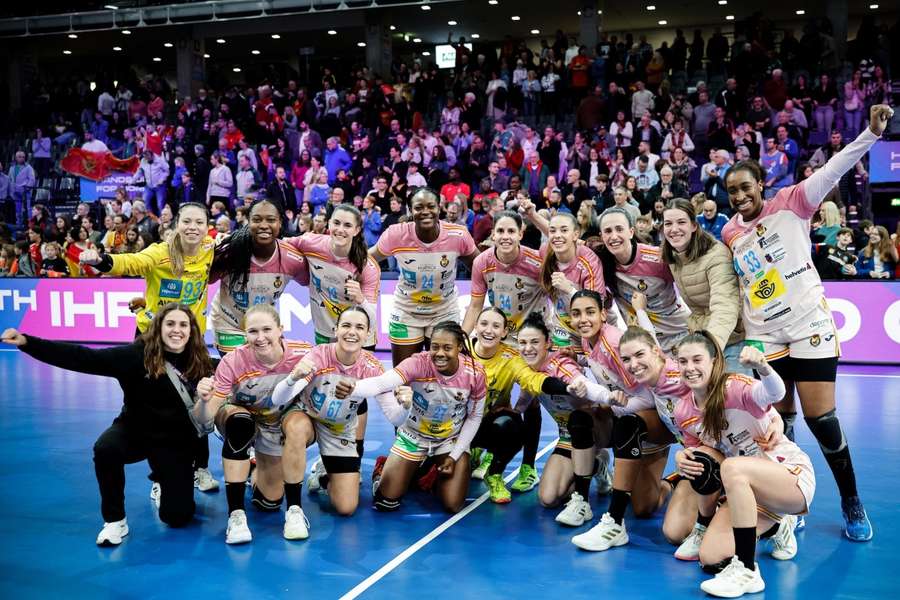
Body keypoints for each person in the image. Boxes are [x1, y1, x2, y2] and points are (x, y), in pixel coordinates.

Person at [720, 104, 893, 542]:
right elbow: (739, 283)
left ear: (761, 184)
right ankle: (786, 511)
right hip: (764, 335)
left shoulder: (793, 201)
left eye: (745, 187)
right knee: (778, 425)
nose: (739, 197)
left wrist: (870, 135)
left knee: (823, 419)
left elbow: (835, 168)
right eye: (732, 191)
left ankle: (851, 499)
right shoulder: (729, 233)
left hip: (808, 326)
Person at [1, 303, 215, 545]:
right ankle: (115, 521)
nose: (177, 330)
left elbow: (234, 371)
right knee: (106, 449)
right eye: (170, 324)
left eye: (183, 325)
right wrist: (28, 342)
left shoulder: (199, 361)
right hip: (136, 430)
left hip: (174, 441)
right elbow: (83, 358)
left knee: (177, 517)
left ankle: (162, 479)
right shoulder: (135, 355)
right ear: (158, 328)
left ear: (192, 331)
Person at [80, 203, 219, 493]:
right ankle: (160, 476)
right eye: (187, 221)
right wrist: (101, 260)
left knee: (199, 400)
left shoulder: (211, 250)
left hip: (190, 341)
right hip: (150, 338)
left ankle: (201, 468)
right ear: (177, 224)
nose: (193, 227)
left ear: (207, 226)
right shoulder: (160, 252)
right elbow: (129, 263)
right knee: (147, 405)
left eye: (199, 222)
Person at [673, 333, 813, 598]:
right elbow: (699, 449)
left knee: (733, 467)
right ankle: (778, 527)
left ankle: (748, 571)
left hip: (787, 477)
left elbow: (775, 392)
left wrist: (762, 367)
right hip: (745, 492)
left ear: (714, 362)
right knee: (710, 558)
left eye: (697, 359)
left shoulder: (735, 387)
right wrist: (683, 456)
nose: (689, 367)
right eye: (682, 361)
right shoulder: (683, 410)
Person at [197, 304, 313, 544]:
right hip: (244, 419)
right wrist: (202, 402)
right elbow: (206, 416)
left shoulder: (304, 354)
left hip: (279, 422)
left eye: (267, 329)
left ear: (281, 330)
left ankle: (294, 510)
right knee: (240, 424)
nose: (260, 338)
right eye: (252, 331)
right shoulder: (233, 361)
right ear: (245, 334)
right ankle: (236, 515)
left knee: (269, 501)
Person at [348, 321, 486, 514]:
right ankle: (383, 469)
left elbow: (474, 416)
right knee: (386, 503)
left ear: (459, 348)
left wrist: (454, 456)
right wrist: (352, 388)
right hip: (414, 435)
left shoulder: (475, 373)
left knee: (453, 505)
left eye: (447, 348)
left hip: (449, 439)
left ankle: (429, 468)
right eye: (435, 346)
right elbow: (381, 383)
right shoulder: (418, 363)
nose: (439, 353)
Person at [271, 307, 398, 517]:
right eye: (346, 325)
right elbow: (279, 399)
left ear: (368, 334)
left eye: (359, 327)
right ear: (336, 329)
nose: (352, 332)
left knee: (346, 507)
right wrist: (292, 378)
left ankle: (323, 476)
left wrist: (405, 405)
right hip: (308, 417)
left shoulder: (373, 367)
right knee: (296, 427)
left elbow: (395, 417)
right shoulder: (318, 356)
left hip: (339, 429)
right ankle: (294, 509)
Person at [467, 307, 584, 502]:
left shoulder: (512, 359)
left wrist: (569, 387)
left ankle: (495, 473)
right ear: (475, 326)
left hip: (486, 425)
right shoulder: (462, 353)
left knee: (512, 424)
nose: (489, 330)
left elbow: (534, 380)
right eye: (484, 324)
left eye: (496, 326)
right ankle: (469, 453)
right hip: (456, 428)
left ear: (505, 332)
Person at [514, 314, 615, 522]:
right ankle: (597, 466)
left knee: (579, 419)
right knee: (548, 499)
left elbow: (579, 382)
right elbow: (524, 399)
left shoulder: (560, 364)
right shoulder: (527, 371)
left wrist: (582, 387)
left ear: (547, 343)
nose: (528, 348)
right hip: (568, 437)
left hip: (596, 428)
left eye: (534, 342)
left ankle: (592, 469)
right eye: (522, 343)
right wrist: (510, 414)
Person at [369, 188, 477, 366]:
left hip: (444, 311)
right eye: (419, 207)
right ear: (410, 211)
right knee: (403, 378)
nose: (425, 211)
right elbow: (368, 259)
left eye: (431, 206)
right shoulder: (396, 233)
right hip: (406, 312)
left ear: (439, 208)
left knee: (443, 377)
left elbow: (480, 266)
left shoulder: (458, 235)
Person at [209, 198, 309, 353]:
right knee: (240, 370)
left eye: (270, 220)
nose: (263, 225)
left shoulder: (292, 259)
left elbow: (309, 281)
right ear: (248, 222)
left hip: (262, 327)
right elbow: (209, 280)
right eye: (256, 220)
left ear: (280, 223)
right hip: (229, 325)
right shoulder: (230, 252)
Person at [660, 198, 745, 373]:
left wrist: (708, 349)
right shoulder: (673, 255)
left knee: (734, 396)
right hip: (701, 334)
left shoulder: (716, 255)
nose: (674, 229)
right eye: (668, 223)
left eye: (681, 222)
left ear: (694, 225)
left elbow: (725, 306)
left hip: (731, 339)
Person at [596, 207, 691, 353]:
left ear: (631, 232)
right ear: (601, 236)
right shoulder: (601, 262)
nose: (614, 236)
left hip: (679, 335)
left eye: (619, 229)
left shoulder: (657, 258)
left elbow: (693, 280)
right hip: (643, 343)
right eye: (608, 231)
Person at [519, 205, 606, 348]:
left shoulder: (589, 261)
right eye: (552, 231)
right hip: (563, 331)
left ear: (575, 235)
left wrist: (570, 289)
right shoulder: (545, 252)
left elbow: (594, 309)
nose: (557, 235)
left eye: (564, 230)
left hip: (593, 331)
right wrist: (532, 214)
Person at [462, 211, 545, 345]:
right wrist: (461, 339)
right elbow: (475, 307)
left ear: (520, 234)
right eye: (500, 231)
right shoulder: (481, 262)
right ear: (493, 235)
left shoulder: (538, 262)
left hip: (532, 339)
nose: (505, 236)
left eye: (511, 231)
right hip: (500, 337)